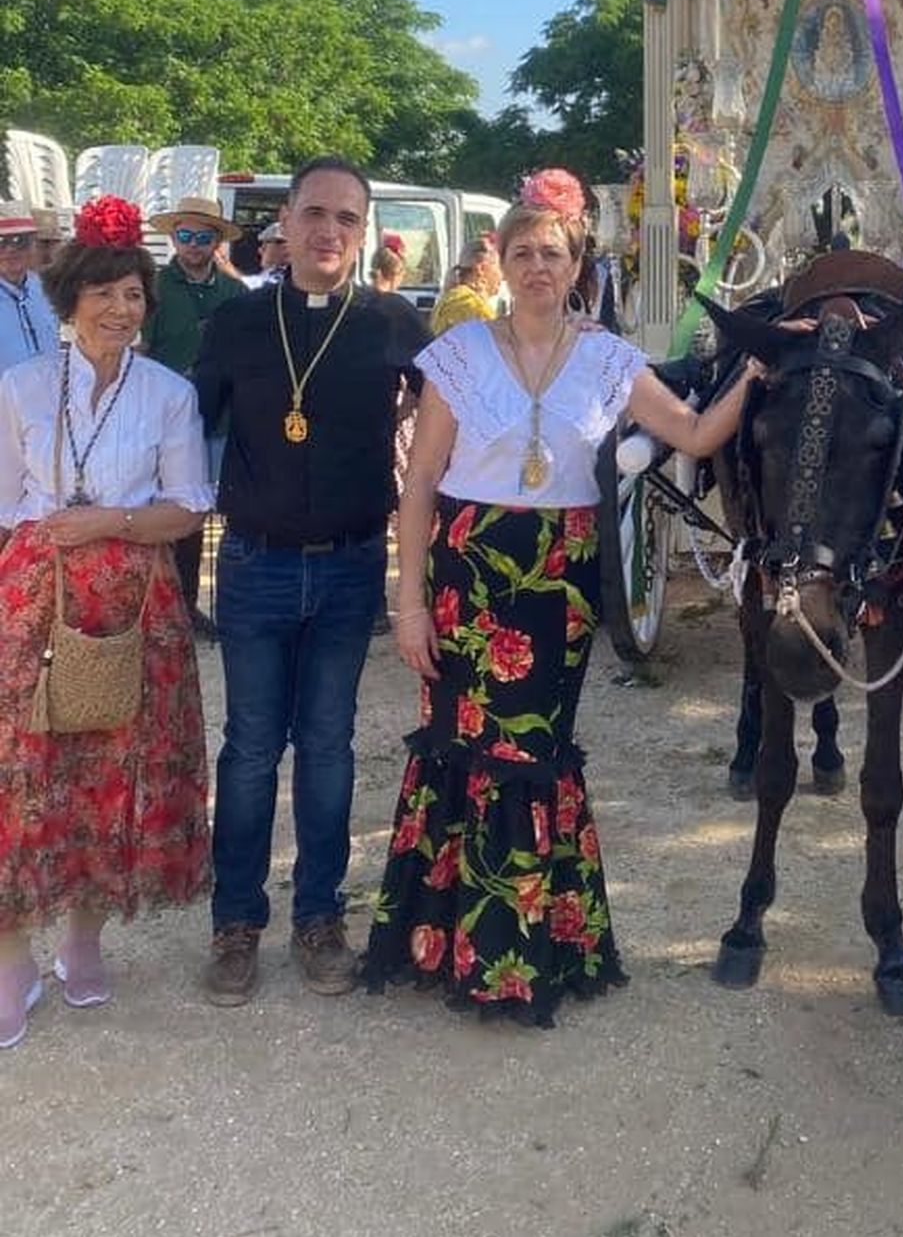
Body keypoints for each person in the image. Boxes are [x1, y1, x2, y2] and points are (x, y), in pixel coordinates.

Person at [362, 167, 763, 1025]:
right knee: (456, 746)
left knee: (532, 755)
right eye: (522, 252)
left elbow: (692, 432)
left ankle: (524, 949)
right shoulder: (459, 352)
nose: (538, 265)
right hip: (469, 572)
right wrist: (407, 596)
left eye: (553, 252)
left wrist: (758, 368)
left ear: (578, 264)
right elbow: (422, 478)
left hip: (559, 581)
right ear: (499, 262)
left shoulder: (611, 361)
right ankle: (447, 945)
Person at [194, 157, 430, 1006]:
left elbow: (466, 408)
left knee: (328, 746)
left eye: (348, 219)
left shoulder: (394, 320)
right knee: (252, 749)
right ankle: (236, 923)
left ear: (363, 233)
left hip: (350, 562)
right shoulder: (235, 322)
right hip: (255, 563)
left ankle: (320, 918)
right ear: (284, 223)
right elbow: (186, 432)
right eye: (316, 213)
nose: (330, 231)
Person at [0, 199, 212, 1048]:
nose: (121, 309)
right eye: (106, 292)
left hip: (132, 600)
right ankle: (13, 959)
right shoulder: (15, 387)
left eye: (135, 295)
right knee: (20, 777)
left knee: (107, 774)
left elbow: (189, 506)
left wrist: (109, 525)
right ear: (70, 296)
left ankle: (82, 940)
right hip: (30, 595)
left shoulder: (168, 392)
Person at [143, 197, 247, 638]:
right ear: (173, 238)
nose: (193, 245)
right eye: (185, 235)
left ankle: (219, 608)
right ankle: (175, 606)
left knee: (229, 519)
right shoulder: (153, 288)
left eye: (204, 237)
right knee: (176, 519)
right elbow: (141, 353)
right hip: (167, 423)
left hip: (222, 420)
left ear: (216, 242)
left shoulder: (235, 293)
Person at [0, 213, 53, 377]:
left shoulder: (47, 290)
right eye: (1, 242)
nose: (10, 250)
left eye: (19, 241)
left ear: (33, 245)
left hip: (51, 396)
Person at [428, 238, 500, 334]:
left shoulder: (447, 300)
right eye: (499, 267)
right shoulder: (474, 308)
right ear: (481, 269)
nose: (502, 276)